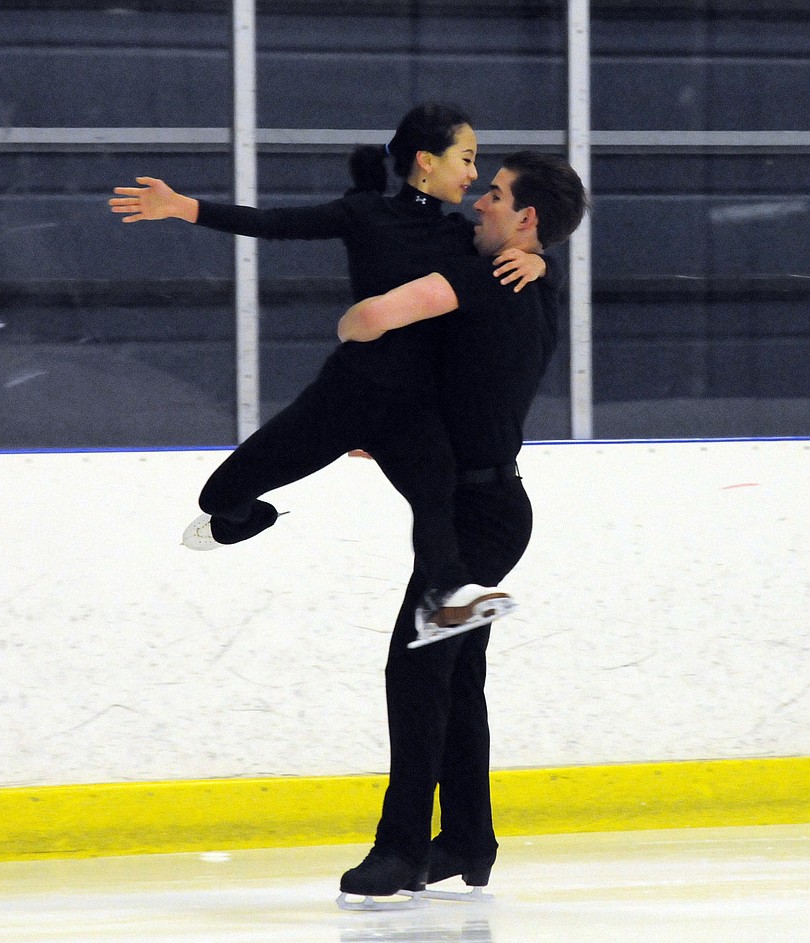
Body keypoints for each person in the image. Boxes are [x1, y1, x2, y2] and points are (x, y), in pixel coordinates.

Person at [109, 103, 545, 642]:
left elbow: (507, 261)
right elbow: (273, 225)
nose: (475, 174)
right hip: (347, 396)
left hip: (413, 407)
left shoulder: (460, 236)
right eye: (467, 159)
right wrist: (181, 207)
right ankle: (247, 519)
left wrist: (540, 260)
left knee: (436, 505)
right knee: (219, 497)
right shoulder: (364, 214)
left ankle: (448, 598)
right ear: (426, 162)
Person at [334, 150, 589, 904]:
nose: (479, 200)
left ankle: (400, 848)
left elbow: (383, 321)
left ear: (529, 220)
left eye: (497, 195)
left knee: (416, 671)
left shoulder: (497, 282)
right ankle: (469, 840)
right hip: (485, 512)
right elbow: (467, 384)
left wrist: (353, 352)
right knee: (455, 673)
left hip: (477, 521)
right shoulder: (528, 282)